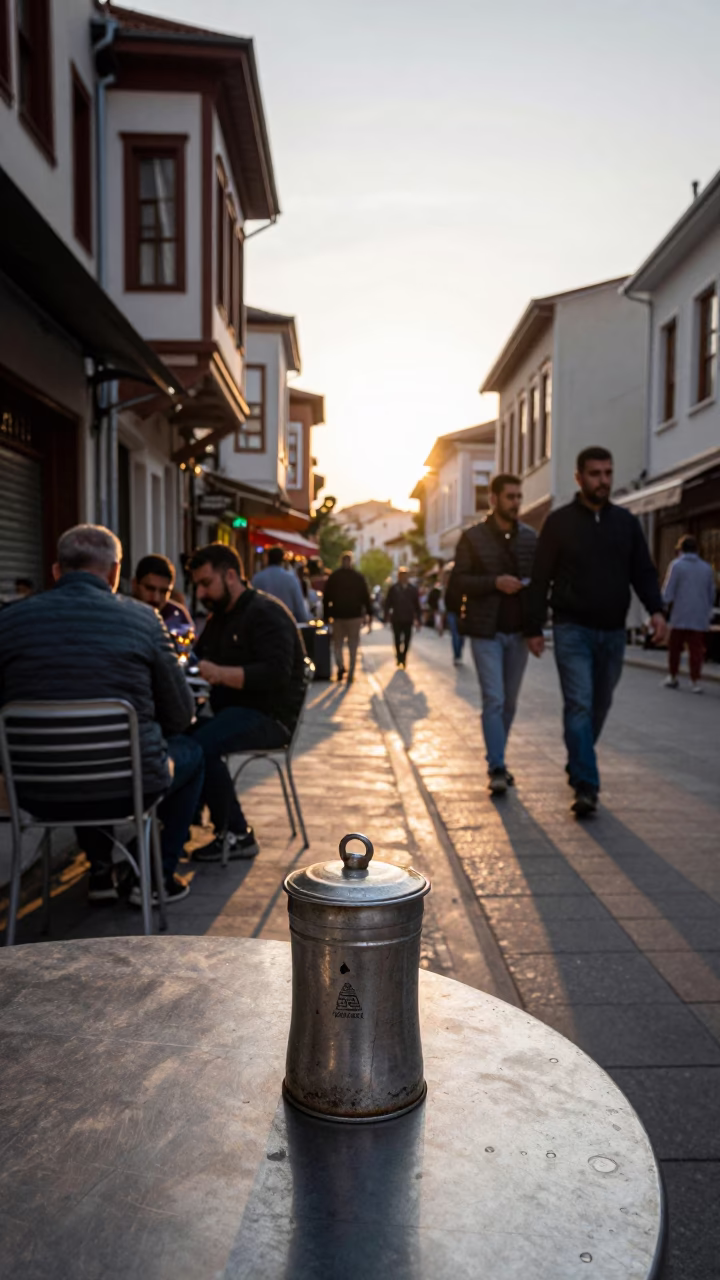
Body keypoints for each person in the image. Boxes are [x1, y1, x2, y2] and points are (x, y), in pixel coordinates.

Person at [0, 525, 204, 904]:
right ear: (114, 573)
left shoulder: (9, 622)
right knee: (191, 753)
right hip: (129, 788)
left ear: (57, 571)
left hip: (36, 792)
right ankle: (154, 878)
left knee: (73, 754)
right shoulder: (145, 620)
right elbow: (181, 715)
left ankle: (100, 869)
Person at [526, 446, 667, 817]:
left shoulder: (626, 522)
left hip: (613, 632)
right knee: (579, 703)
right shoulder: (558, 523)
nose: (603, 481)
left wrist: (657, 611)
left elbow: (643, 571)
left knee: (599, 705)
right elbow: (540, 577)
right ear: (579, 478)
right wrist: (533, 626)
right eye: (595, 474)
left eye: (608, 473)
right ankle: (587, 786)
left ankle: (578, 759)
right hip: (572, 628)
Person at [189, 543, 307, 861]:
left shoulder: (266, 613)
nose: (200, 593)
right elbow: (197, 659)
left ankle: (238, 834)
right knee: (179, 734)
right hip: (233, 712)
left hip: (270, 717)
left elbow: (276, 675)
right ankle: (184, 820)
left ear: (230, 576)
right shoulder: (219, 618)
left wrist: (220, 674)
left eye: (206, 583)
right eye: (197, 585)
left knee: (201, 746)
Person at [447, 474, 537, 794]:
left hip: (519, 632)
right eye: (510, 497)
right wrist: (494, 582)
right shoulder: (472, 538)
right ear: (494, 499)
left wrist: (536, 628)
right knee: (494, 698)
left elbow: (539, 585)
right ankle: (496, 766)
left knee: (509, 702)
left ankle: (499, 756)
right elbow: (459, 582)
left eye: (519, 496)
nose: (516, 503)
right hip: (486, 631)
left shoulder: (530, 538)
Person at [662, 535, 715, 693]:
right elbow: (711, 593)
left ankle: (673, 676)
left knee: (675, 647)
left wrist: (662, 605)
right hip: (699, 614)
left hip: (680, 613)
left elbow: (669, 590)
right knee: (696, 649)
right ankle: (695, 680)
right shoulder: (707, 568)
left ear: (681, 549)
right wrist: (708, 609)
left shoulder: (676, 565)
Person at [323, 551, 372, 685]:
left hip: (340, 616)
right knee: (351, 646)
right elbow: (366, 597)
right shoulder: (357, 577)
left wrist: (326, 616)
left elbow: (326, 598)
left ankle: (342, 668)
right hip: (350, 616)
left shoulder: (335, 577)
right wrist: (369, 614)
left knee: (339, 645)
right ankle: (348, 672)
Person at [133, 553, 194, 632]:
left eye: (164, 592)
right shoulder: (121, 614)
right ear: (135, 585)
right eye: (150, 589)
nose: (156, 598)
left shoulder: (177, 616)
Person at [252, 546, 309, 623]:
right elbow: (299, 609)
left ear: (268, 559)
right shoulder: (291, 579)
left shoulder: (258, 578)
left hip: (263, 625)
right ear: (282, 560)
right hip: (286, 625)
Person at [384, 567, 421, 668]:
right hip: (396, 618)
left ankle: (403, 657)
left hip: (408, 618)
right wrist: (386, 616)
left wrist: (418, 619)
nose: (404, 577)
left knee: (407, 639)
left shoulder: (412, 589)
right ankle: (399, 656)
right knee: (397, 639)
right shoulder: (393, 589)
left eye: (405, 576)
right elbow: (387, 603)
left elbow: (417, 605)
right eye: (402, 576)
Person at [442, 562, 465, 665]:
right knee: (456, 634)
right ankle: (457, 655)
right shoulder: (448, 588)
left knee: (460, 635)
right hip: (452, 612)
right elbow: (445, 601)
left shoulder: (461, 586)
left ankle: (458, 654)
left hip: (460, 613)